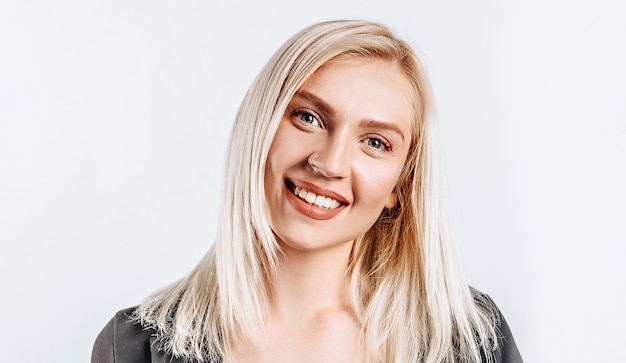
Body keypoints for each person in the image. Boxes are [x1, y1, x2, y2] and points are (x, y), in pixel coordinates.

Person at [92, 20, 522, 363]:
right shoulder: (135, 348)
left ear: (400, 186)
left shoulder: (470, 341)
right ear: (260, 125)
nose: (329, 163)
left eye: (375, 142)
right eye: (308, 118)